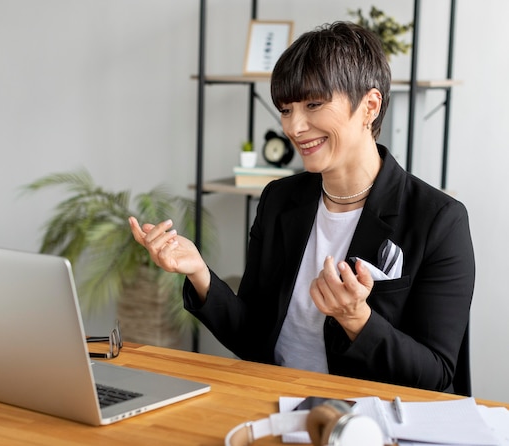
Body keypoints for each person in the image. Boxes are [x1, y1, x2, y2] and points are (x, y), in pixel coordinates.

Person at [129, 21, 475, 394]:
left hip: (366, 418)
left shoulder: (439, 220)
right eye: (286, 109)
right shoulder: (280, 200)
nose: (294, 126)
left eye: (313, 104)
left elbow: (436, 375)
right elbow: (253, 336)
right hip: (276, 401)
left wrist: (357, 319)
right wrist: (198, 271)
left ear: (369, 106)